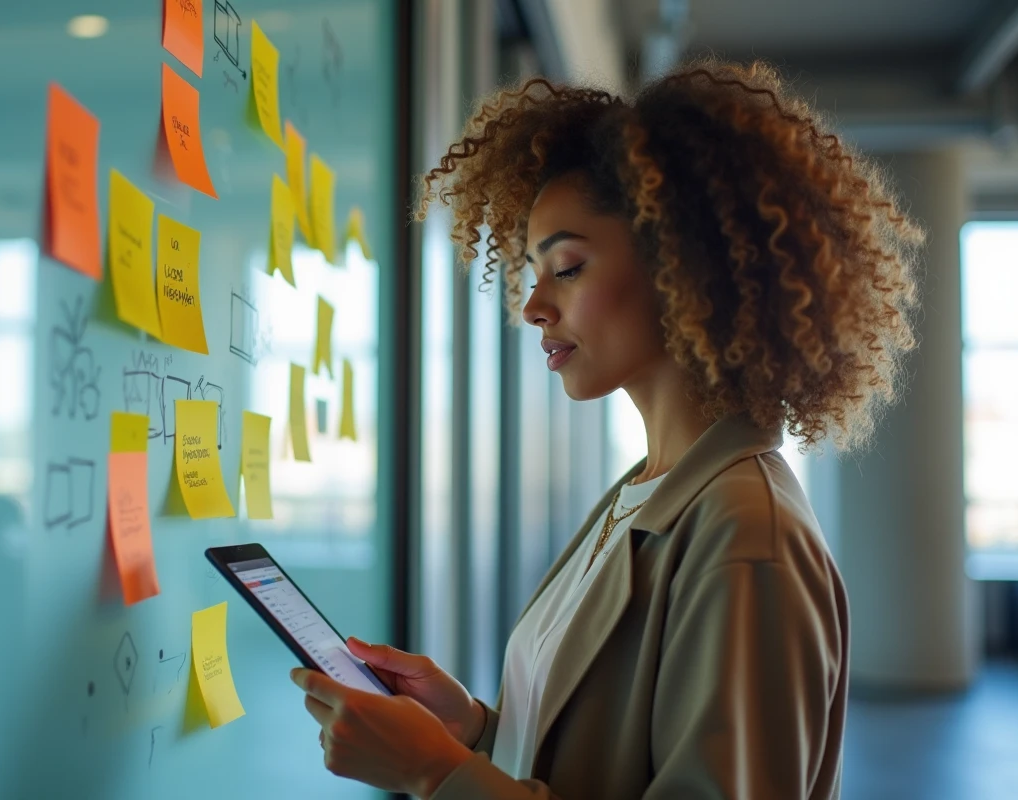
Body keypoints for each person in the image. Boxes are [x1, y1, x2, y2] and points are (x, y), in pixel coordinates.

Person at [290, 59, 922, 799]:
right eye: (531, 272)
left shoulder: (746, 536)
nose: (532, 306)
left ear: (681, 265)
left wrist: (435, 773)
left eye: (567, 267)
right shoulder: (647, 494)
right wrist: (469, 730)